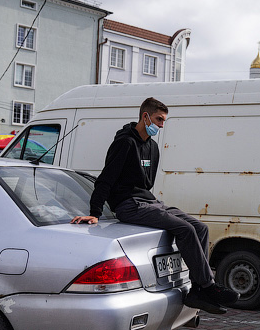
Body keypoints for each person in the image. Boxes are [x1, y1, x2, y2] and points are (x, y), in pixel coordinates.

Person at [71, 97, 239, 314]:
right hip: (129, 205)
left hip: (148, 201)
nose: (161, 125)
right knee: (185, 230)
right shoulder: (124, 142)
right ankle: (209, 286)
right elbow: (106, 178)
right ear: (145, 116)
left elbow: (147, 183)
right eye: (159, 119)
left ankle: (198, 289)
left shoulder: (153, 147)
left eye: (163, 121)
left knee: (200, 228)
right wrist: (94, 212)